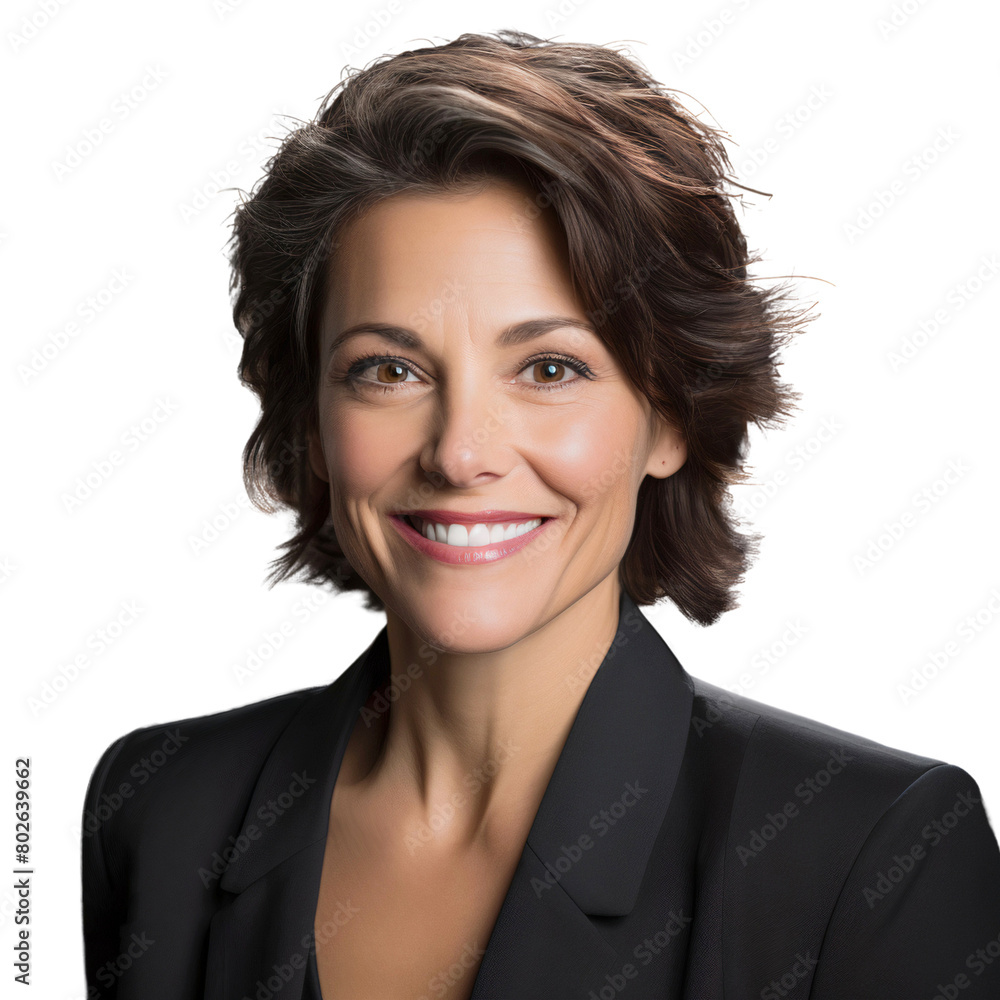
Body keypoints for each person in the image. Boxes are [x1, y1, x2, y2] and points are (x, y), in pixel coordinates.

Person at [81, 29, 1000, 1000]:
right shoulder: (160, 807)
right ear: (311, 417)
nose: (460, 452)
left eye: (549, 368)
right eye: (387, 370)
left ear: (669, 417)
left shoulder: (870, 854)